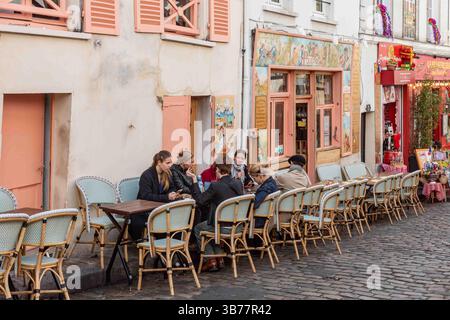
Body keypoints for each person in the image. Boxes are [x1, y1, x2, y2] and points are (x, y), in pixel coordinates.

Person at [186, 163, 244, 272]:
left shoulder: (216, 185)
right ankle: (219, 257)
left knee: (199, 228)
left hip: (223, 227)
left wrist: (194, 180)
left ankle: (210, 260)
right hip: (238, 226)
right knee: (211, 226)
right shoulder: (238, 183)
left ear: (218, 170)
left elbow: (200, 200)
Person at [130, 150, 181, 240]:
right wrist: (166, 197)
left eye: (171, 162)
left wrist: (172, 193)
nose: (170, 165)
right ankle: (162, 244)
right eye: (167, 163)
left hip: (159, 207)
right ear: (159, 162)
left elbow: (172, 187)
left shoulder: (167, 173)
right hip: (145, 209)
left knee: (177, 214)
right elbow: (146, 196)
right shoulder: (146, 175)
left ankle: (172, 244)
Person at [249, 164, 279, 229]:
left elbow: (254, 204)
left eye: (254, 178)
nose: (254, 181)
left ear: (260, 176)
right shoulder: (272, 183)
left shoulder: (266, 188)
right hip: (266, 219)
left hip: (258, 220)